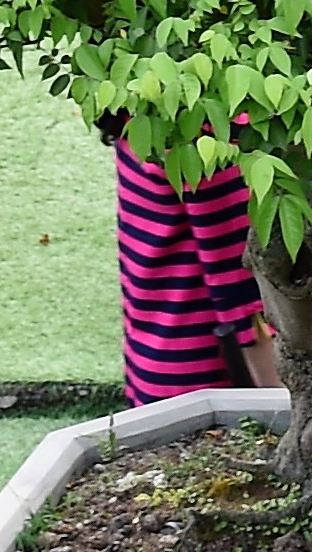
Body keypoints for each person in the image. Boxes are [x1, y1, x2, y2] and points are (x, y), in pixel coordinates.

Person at [103, 115, 263, 400]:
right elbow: (244, 291)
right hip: (210, 388)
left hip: (154, 363)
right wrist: (282, 403)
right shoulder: (204, 132)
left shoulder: (141, 115)